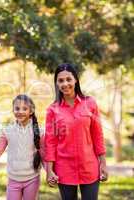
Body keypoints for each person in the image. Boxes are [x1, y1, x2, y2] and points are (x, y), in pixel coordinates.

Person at [44, 63, 108, 200]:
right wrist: (49, 170)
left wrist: (103, 164)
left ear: (76, 80)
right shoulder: (52, 110)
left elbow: (97, 135)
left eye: (69, 79)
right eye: (60, 80)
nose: (65, 84)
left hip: (89, 167)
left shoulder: (90, 103)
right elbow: (50, 142)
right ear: (56, 83)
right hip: (64, 169)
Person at [0, 94, 42, 200]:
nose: (20, 111)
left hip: (32, 179)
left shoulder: (39, 131)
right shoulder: (7, 131)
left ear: (31, 111)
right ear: (13, 110)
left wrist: (50, 173)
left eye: (24, 108)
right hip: (13, 180)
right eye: (17, 108)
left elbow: (44, 155)